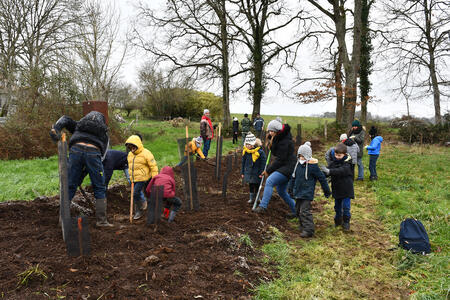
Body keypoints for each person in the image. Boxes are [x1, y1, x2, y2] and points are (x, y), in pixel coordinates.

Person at [49, 111, 112, 227]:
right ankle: (101, 221)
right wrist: (84, 173)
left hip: (76, 150)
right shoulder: (104, 134)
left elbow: (65, 118)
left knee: (70, 185)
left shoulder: (79, 125)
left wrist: (56, 129)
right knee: (99, 186)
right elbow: (102, 157)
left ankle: (63, 219)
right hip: (94, 152)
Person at [254, 117, 297, 217]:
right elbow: (276, 152)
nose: (269, 132)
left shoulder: (285, 141)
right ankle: (296, 211)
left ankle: (263, 207)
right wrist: (271, 145)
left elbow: (280, 159)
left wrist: (268, 170)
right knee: (281, 191)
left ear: (276, 131)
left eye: (270, 131)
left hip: (288, 166)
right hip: (284, 165)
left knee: (270, 181)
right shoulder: (279, 137)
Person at [289, 142, 331, 238]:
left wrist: (326, 191)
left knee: (304, 211)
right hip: (298, 192)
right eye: (299, 156)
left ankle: (309, 230)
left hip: (307, 193)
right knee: (298, 210)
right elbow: (293, 177)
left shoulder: (313, 167)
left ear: (307, 156)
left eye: (303, 156)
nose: (301, 158)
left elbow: (322, 179)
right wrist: (290, 189)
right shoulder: (297, 165)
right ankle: (303, 226)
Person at [320, 143, 354, 231]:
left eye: (339, 155)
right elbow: (328, 172)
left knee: (346, 207)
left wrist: (329, 171)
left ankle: (346, 222)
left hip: (346, 189)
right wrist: (320, 173)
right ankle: (338, 220)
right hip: (337, 189)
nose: (337, 157)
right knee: (337, 207)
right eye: (336, 155)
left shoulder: (348, 163)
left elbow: (341, 171)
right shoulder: (333, 163)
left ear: (344, 154)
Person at [125, 135, 159, 220]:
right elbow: (130, 167)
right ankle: (139, 211)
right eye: (130, 147)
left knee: (139, 193)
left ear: (137, 145)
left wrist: (155, 178)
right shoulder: (130, 155)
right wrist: (130, 177)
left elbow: (153, 166)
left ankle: (149, 208)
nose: (131, 148)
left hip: (144, 178)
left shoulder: (146, 153)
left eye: (133, 146)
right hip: (134, 178)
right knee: (137, 194)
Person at [241, 133, 266, 204]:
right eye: (247, 144)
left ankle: (258, 198)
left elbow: (263, 163)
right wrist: (242, 172)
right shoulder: (245, 152)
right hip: (249, 172)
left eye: (249, 144)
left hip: (257, 172)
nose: (248, 146)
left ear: (253, 144)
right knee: (251, 185)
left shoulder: (260, 152)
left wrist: (261, 172)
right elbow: (243, 163)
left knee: (257, 185)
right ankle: (251, 198)